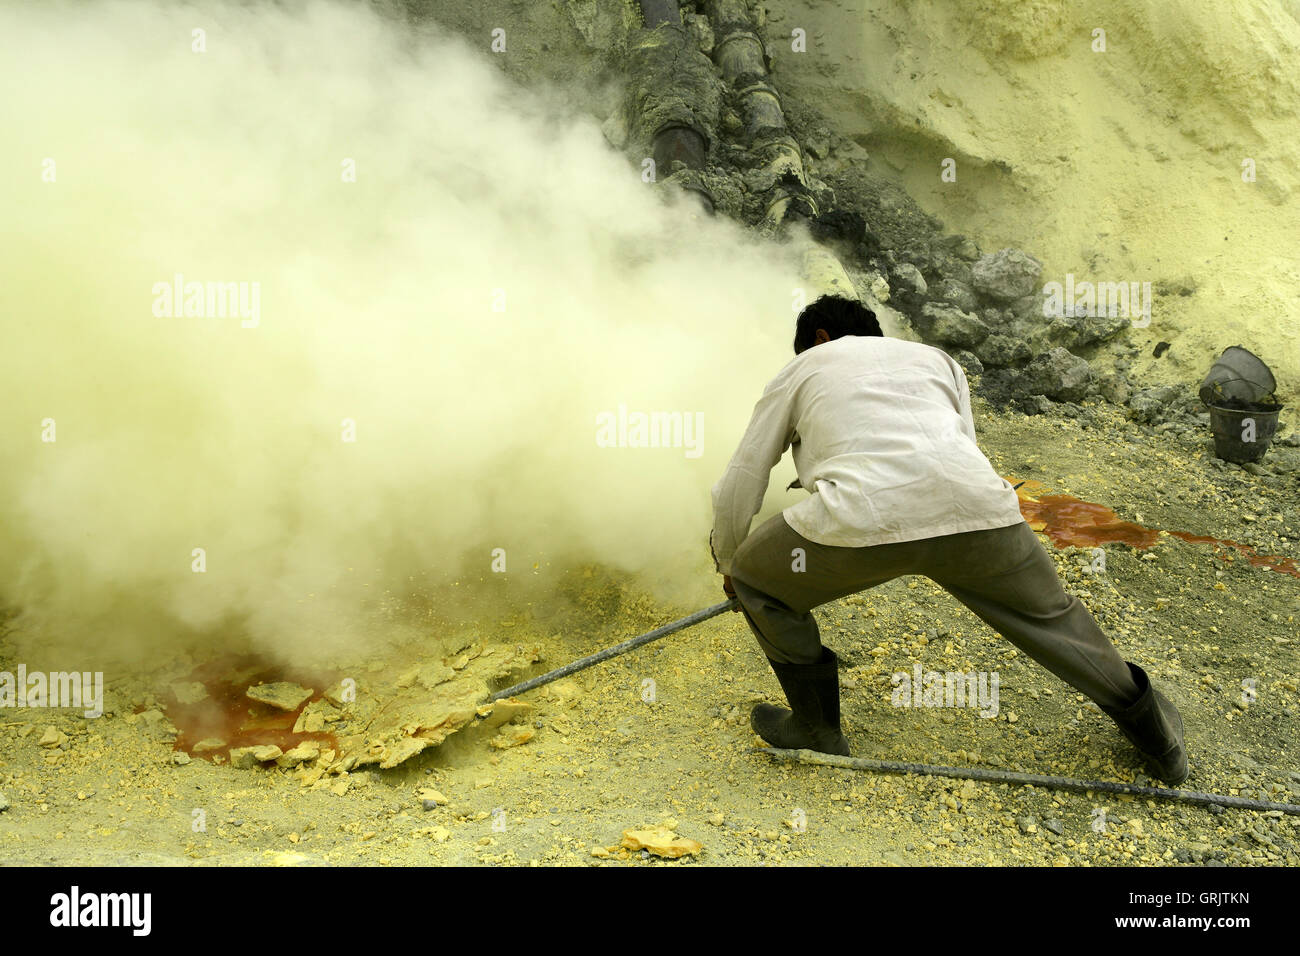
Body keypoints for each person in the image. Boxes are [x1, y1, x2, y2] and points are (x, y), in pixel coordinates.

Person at [709, 294, 1187, 784]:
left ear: (819, 339)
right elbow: (964, 448)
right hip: (981, 512)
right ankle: (1158, 739)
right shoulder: (937, 359)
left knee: (756, 579)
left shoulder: (805, 367)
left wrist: (728, 563)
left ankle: (815, 728)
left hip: (861, 520)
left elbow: (741, 479)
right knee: (1053, 618)